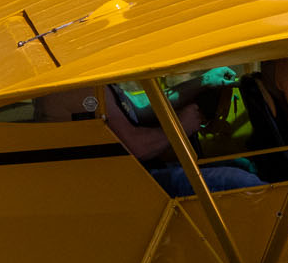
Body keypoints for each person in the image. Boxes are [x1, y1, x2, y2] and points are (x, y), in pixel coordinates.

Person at [102, 81, 265, 198]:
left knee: (241, 164)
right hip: (134, 186)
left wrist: (204, 81)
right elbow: (136, 146)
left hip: (141, 175)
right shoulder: (84, 90)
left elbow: (139, 106)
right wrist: (180, 127)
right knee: (241, 182)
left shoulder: (101, 85)